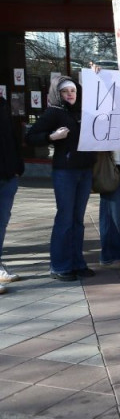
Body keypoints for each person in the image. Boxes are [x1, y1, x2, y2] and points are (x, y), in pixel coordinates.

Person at [26, 76, 97, 281]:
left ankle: (77, 263)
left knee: (77, 220)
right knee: (65, 219)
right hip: (65, 172)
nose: (70, 94)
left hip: (84, 170)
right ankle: (60, 266)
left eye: (73, 91)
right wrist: (51, 137)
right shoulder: (54, 112)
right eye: (65, 91)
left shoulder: (83, 112)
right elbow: (30, 137)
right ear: (58, 94)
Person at [0, 88, 25, 292]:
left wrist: (18, 168)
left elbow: (11, 138)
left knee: (1, 223)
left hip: (7, 175)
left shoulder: (2, 104)